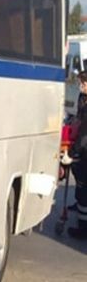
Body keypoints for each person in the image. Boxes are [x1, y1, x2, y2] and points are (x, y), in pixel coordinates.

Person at [66, 71, 87, 238]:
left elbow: (84, 135)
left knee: (83, 190)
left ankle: (83, 229)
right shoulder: (82, 98)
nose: (81, 86)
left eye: (84, 83)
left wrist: (74, 152)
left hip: (85, 152)